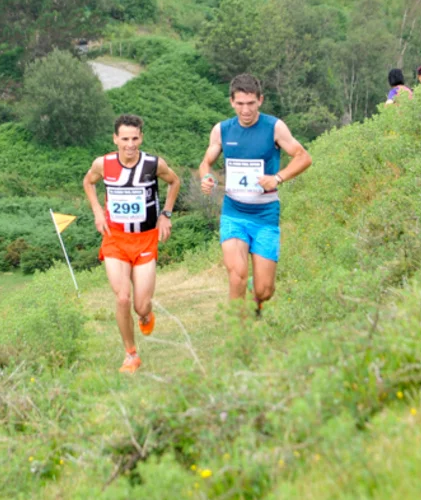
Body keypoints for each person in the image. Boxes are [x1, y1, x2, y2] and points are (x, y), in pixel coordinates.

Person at [198, 74, 312, 318]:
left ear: (260, 100)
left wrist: (277, 178)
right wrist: (206, 177)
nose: (245, 110)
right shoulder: (222, 130)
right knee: (236, 274)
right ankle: (238, 334)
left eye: (251, 103)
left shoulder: (274, 127)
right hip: (234, 213)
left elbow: (303, 157)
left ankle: (256, 293)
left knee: (265, 290)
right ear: (231, 102)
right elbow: (206, 162)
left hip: (265, 215)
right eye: (240, 104)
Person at [83, 114, 181, 374]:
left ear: (141, 138)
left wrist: (166, 214)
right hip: (115, 238)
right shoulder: (103, 164)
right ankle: (131, 355)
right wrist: (97, 212)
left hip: (145, 239)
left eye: (134, 138)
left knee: (141, 305)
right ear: (115, 139)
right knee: (122, 298)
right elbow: (88, 182)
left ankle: (146, 315)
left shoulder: (153, 164)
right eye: (125, 139)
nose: (130, 144)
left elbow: (174, 181)